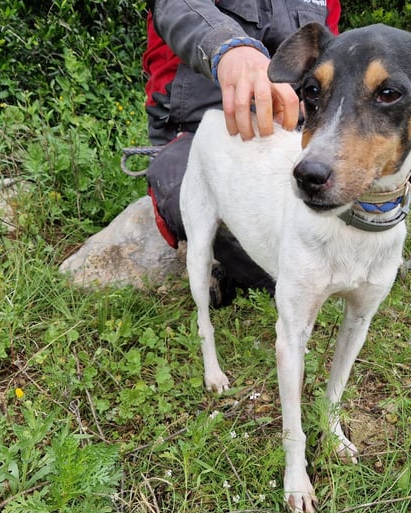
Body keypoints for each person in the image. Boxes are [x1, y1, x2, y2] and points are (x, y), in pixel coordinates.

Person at [142, 1, 341, 306]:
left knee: (350, 198)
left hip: (288, 137)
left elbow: (333, 62)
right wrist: (229, 48)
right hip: (197, 136)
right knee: (196, 195)